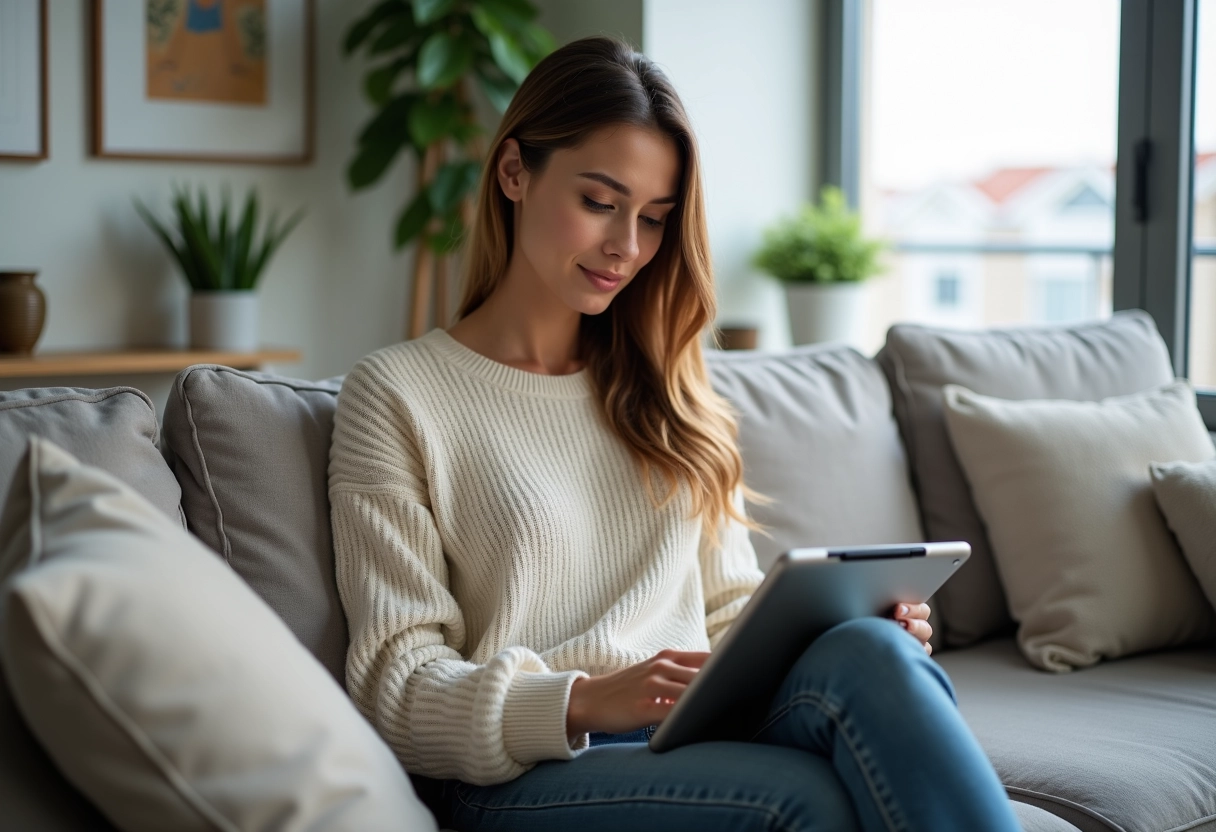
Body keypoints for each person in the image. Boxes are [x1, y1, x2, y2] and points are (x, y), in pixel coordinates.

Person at [328, 35, 1021, 832]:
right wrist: (586, 697)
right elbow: (396, 683)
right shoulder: (397, 394)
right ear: (515, 172)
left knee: (878, 654)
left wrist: (848, 620)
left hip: (693, 728)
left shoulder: (667, 388)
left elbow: (728, 616)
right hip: (532, 769)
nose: (628, 247)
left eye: (654, 219)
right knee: (815, 803)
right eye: (599, 202)